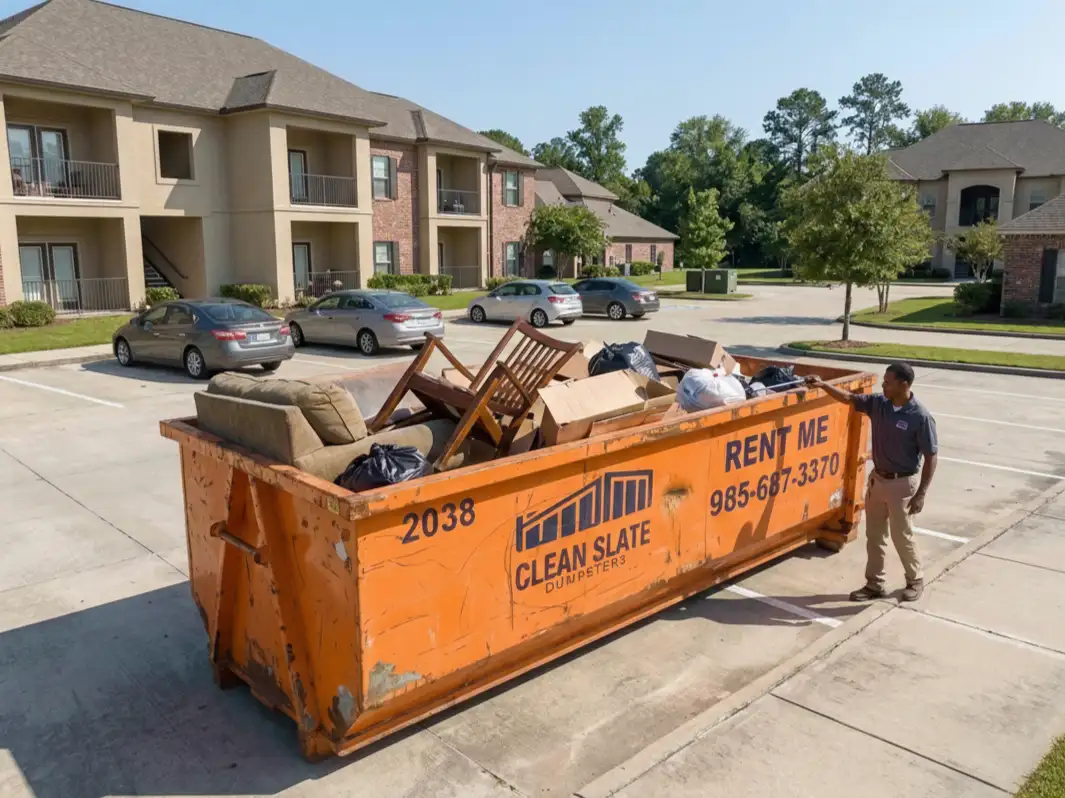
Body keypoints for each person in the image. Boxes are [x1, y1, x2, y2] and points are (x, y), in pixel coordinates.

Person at [805, 363, 938, 602]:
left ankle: (915, 580)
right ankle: (875, 583)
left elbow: (931, 456)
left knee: (902, 536)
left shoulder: (920, 417)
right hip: (878, 481)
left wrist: (921, 493)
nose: (883, 385)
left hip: (902, 485)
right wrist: (823, 385)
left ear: (903, 385)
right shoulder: (880, 404)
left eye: (888, 382)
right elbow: (849, 398)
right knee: (875, 536)